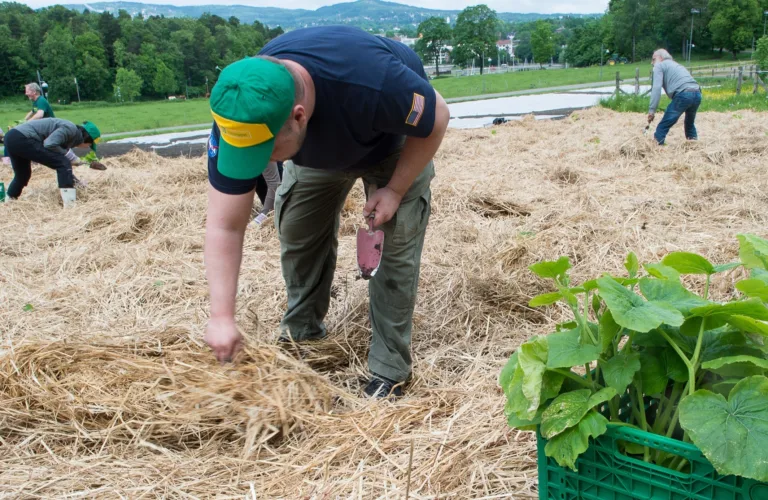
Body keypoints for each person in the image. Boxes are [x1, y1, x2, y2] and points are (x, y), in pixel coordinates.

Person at [203, 26, 450, 398]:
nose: (261, 164)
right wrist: (222, 317)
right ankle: (302, 335)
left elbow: (437, 118)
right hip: (316, 153)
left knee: (394, 250)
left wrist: (395, 190)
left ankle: (388, 370)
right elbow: (224, 225)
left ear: (299, 117)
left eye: (266, 152)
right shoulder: (243, 108)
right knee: (298, 228)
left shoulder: (376, 84)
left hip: (390, 141)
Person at [4, 118, 101, 206]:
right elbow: (50, 144)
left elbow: (58, 161)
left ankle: (9, 202)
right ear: (88, 139)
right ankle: (70, 205)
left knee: (23, 174)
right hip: (23, 138)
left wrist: (77, 183)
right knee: (63, 163)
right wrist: (68, 155)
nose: (87, 148)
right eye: (89, 145)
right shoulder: (71, 129)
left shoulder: (70, 134)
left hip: (12, 137)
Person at [647, 49, 702, 145]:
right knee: (689, 124)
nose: (652, 63)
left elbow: (656, 89)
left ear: (660, 58)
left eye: (653, 59)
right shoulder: (676, 65)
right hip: (697, 93)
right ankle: (694, 146)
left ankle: (656, 146)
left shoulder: (659, 66)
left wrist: (652, 111)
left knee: (664, 124)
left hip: (683, 94)